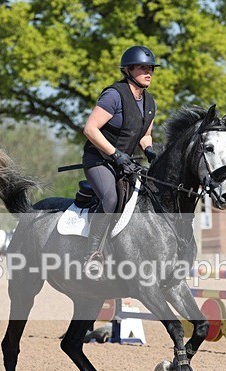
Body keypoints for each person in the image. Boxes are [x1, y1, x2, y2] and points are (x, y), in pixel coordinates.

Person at [81, 45, 159, 277]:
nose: (149, 72)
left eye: (151, 68)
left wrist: (151, 151)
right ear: (128, 70)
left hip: (125, 163)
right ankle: (93, 253)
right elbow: (90, 129)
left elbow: (144, 135)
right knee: (111, 198)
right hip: (99, 161)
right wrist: (115, 153)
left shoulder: (150, 102)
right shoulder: (114, 95)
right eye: (143, 68)